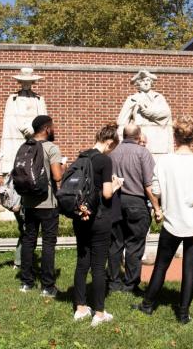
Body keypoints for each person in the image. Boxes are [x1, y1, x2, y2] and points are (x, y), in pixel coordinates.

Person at [132, 116, 193, 323]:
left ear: (174, 136)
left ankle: (148, 304)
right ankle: (183, 313)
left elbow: (156, 191)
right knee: (190, 267)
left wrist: (160, 206)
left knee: (161, 265)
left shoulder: (165, 161)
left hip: (173, 221)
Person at [73, 124, 121, 326]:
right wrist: (116, 185)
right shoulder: (104, 160)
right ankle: (99, 314)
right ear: (109, 143)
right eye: (113, 147)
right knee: (99, 266)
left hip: (80, 215)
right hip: (99, 217)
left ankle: (81, 308)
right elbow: (107, 194)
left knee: (82, 262)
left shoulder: (81, 157)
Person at [0, 67, 47, 269]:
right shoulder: (13, 100)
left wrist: (34, 131)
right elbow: (9, 123)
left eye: (30, 81)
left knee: (28, 225)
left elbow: (44, 122)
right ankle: (23, 260)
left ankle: (23, 260)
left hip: (33, 146)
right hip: (16, 146)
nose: (27, 84)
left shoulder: (39, 100)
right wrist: (24, 129)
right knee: (26, 224)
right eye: (23, 81)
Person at [108, 124, 161, 292]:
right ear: (138, 136)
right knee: (135, 244)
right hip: (136, 202)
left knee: (116, 243)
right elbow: (148, 184)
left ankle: (113, 282)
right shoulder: (142, 153)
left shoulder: (112, 153)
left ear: (123, 135)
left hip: (115, 201)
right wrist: (157, 207)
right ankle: (130, 284)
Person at [19, 115, 65, 297]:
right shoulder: (51, 148)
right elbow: (57, 177)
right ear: (46, 129)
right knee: (48, 243)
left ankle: (26, 283)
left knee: (29, 240)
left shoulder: (25, 147)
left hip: (29, 202)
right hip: (47, 203)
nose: (54, 129)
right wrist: (64, 167)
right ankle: (47, 286)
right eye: (52, 127)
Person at [117, 70, 173, 158]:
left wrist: (148, 113)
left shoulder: (159, 97)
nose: (146, 83)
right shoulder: (132, 99)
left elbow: (166, 114)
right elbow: (122, 122)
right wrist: (121, 142)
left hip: (159, 142)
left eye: (148, 80)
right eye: (143, 81)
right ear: (138, 83)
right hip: (140, 141)